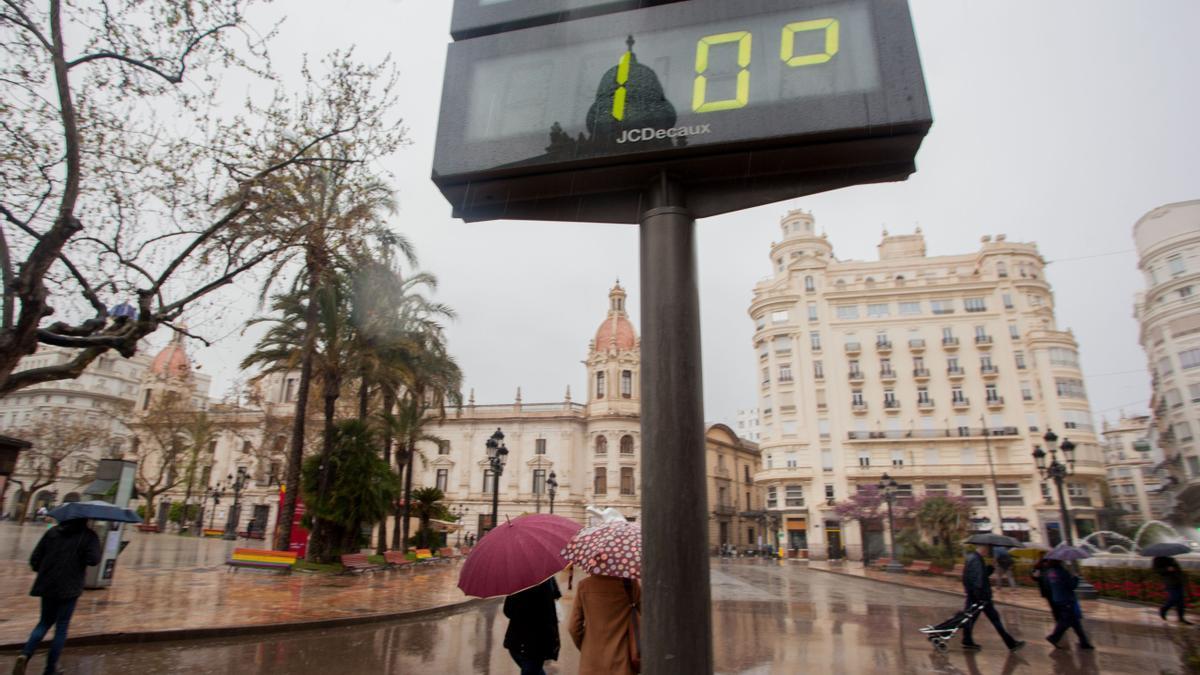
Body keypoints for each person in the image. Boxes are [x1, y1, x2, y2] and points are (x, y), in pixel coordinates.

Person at [14, 518, 101, 675]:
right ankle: (50, 669)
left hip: (48, 584)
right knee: (61, 627)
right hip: (70, 586)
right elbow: (94, 560)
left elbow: (35, 558)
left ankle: (25, 655)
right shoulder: (88, 535)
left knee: (43, 622)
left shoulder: (52, 532)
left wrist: (45, 571)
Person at [569, 574, 640, 675]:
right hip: (622, 664)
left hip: (591, 664)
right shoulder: (631, 585)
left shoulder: (584, 585)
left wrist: (586, 647)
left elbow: (573, 627)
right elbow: (644, 618)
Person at [961, 543, 1025, 652]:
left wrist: (990, 568)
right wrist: (981, 597)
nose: (989, 552)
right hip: (981, 597)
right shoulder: (976, 560)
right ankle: (1011, 643)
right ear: (984, 548)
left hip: (976, 596)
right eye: (988, 549)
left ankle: (967, 639)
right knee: (994, 619)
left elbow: (976, 576)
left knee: (971, 618)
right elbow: (978, 580)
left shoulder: (974, 558)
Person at [503, 577, 561, 675]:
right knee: (534, 670)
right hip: (535, 643)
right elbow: (556, 594)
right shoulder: (546, 579)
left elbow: (508, 611)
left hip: (525, 643)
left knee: (531, 670)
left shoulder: (518, 582)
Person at [1043, 559, 1094, 649]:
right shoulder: (1062, 572)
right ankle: (1053, 637)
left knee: (1075, 622)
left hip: (1057, 598)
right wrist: (1076, 577)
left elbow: (1047, 585)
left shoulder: (1049, 572)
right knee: (1066, 621)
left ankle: (1084, 642)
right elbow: (1072, 586)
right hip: (1067, 599)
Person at [1155, 555, 1192, 624]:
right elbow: (1157, 570)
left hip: (1178, 581)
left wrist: (1180, 574)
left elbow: (1179, 569)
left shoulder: (1171, 559)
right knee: (1174, 598)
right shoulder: (1157, 559)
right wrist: (1167, 569)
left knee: (1181, 601)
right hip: (1169, 582)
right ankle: (1163, 609)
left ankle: (1181, 618)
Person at [1030, 557, 1061, 622]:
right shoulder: (1040, 566)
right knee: (1055, 608)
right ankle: (1059, 622)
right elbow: (1035, 577)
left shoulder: (1052, 564)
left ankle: (1060, 622)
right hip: (1048, 591)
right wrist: (1036, 568)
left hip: (1054, 590)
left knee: (1057, 607)